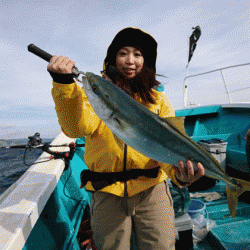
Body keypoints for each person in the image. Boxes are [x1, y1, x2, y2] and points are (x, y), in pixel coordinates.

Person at [47, 27, 205, 250]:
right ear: (113, 58)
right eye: (123, 53)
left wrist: (181, 176)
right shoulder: (98, 93)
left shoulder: (159, 101)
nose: (130, 61)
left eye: (138, 54)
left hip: (152, 191)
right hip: (107, 193)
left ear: (146, 61)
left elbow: (168, 149)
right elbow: (76, 127)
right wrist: (63, 85)